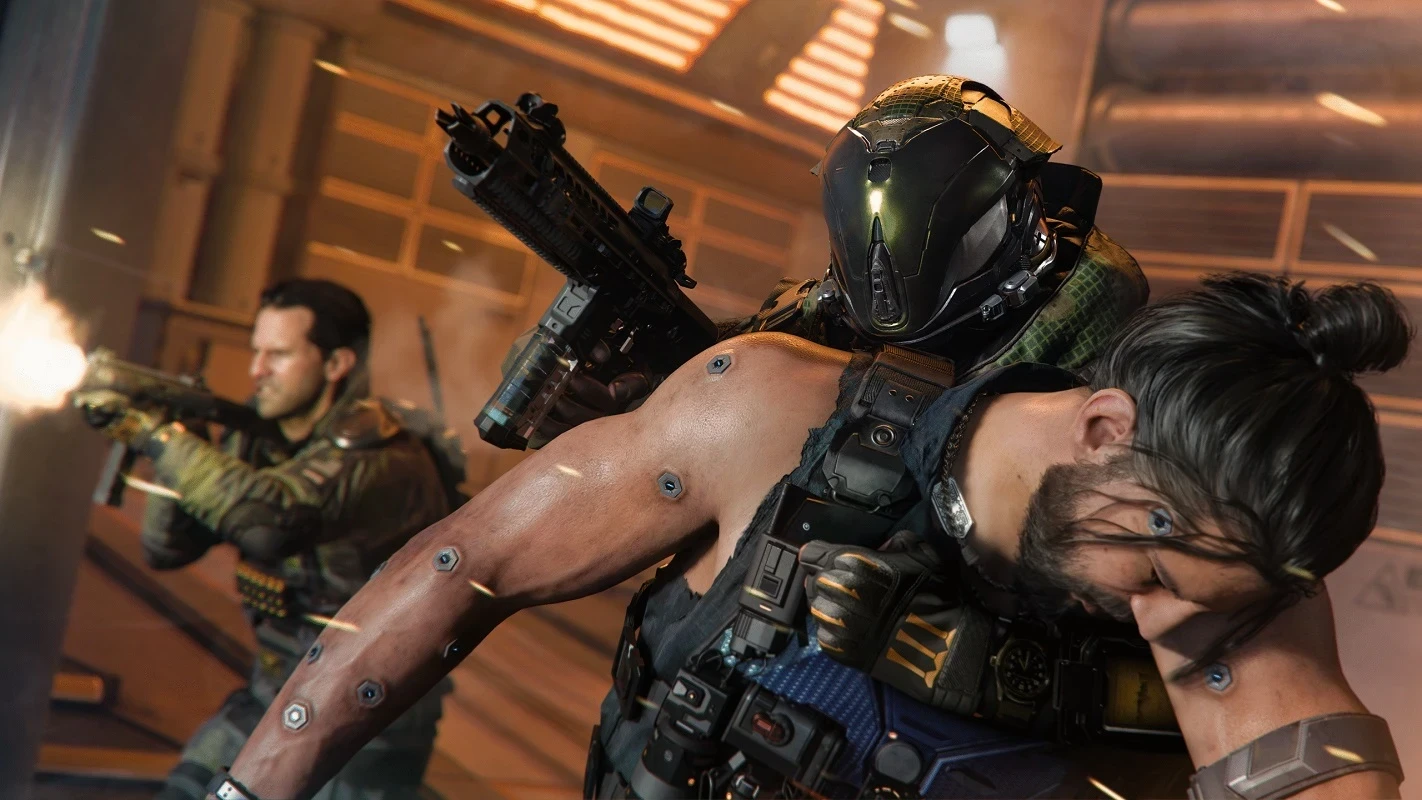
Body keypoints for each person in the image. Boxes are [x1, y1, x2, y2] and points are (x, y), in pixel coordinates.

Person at [204, 272, 1410, 800]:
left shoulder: (1217, 566)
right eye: (1147, 567)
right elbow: (461, 566)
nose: (1157, 619)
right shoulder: (775, 419)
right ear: (1102, 428)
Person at [74, 279, 464, 800]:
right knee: (187, 790)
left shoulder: (381, 456)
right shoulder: (260, 438)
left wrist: (159, 438)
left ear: (336, 364)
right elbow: (168, 548)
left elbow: (269, 521)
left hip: (366, 719)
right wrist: (184, 439)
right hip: (275, 695)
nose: (256, 370)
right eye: (256, 352)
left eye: (278, 355)